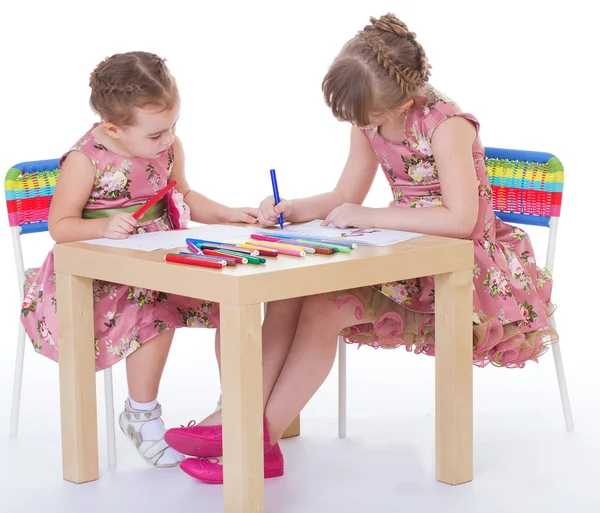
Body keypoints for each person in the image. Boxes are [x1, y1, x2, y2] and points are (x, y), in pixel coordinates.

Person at [165, 13, 558, 482]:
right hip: (402, 246)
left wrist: (370, 216)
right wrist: (293, 207)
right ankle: (237, 423)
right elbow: (343, 196)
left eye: (365, 117)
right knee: (290, 292)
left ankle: (250, 442)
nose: (359, 124)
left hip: (462, 263)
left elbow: (461, 220)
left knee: (325, 309)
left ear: (403, 100)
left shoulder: (447, 124)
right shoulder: (370, 118)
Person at [20, 51, 258, 468]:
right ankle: (140, 414)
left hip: (157, 258)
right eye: (156, 135)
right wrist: (103, 227)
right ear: (112, 127)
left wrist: (228, 213)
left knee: (228, 299)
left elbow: (184, 195)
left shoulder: (167, 145)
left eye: (173, 128)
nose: (167, 141)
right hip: (94, 272)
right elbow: (61, 226)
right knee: (154, 312)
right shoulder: (85, 159)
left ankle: (236, 405)